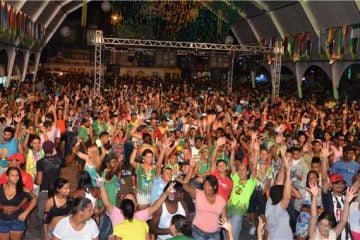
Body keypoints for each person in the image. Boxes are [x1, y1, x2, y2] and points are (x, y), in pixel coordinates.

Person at [180, 167, 227, 240]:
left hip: (214, 235)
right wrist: (191, 168)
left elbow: (224, 220)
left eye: (209, 185)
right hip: (197, 232)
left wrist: (229, 235)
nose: (206, 187)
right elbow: (184, 184)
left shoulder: (221, 200)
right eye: (205, 184)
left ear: (214, 187)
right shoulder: (198, 193)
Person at [227, 136, 257, 240]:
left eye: (243, 170)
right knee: (227, 235)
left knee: (233, 236)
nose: (241, 171)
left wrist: (255, 150)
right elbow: (231, 165)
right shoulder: (235, 179)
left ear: (247, 172)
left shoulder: (250, 183)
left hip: (238, 213)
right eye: (239, 170)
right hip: (227, 210)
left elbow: (254, 167)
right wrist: (232, 150)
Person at [0, 167, 37, 240]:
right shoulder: (1, 188)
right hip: (2, 220)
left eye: (17, 175)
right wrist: (2, 208)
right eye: (13, 175)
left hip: (17, 221)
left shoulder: (23, 189)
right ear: (7, 177)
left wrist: (25, 213)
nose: (15, 178)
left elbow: (34, 200)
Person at [265, 151, 293, 240]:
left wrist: (283, 166)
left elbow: (279, 182)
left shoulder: (269, 203)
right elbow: (287, 197)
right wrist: (288, 174)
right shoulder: (278, 210)